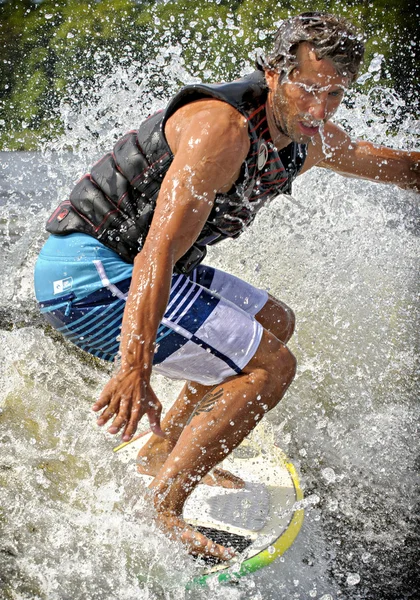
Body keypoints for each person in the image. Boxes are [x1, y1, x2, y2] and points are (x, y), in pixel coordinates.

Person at [34, 12, 419, 561]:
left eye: (334, 95)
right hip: (89, 272)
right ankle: (162, 507)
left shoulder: (307, 139)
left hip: (129, 269)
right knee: (271, 366)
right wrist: (133, 367)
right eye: (309, 90)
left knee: (274, 322)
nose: (319, 109)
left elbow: (402, 169)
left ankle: (162, 446)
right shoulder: (223, 128)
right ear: (275, 73)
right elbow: (157, 253)